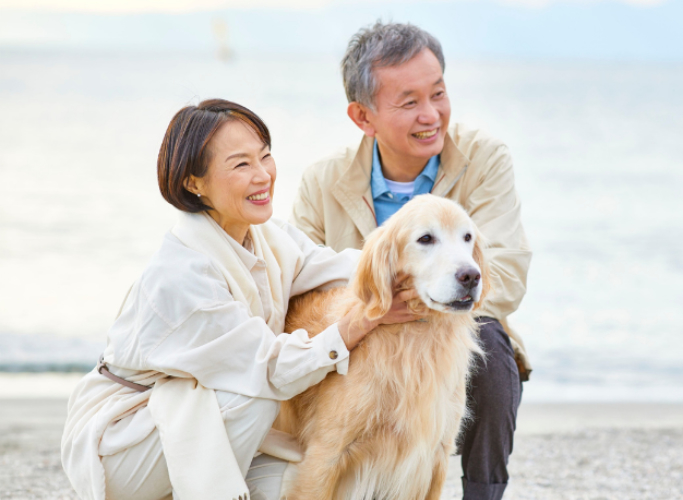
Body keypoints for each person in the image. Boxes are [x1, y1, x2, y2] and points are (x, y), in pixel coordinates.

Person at [61, 99, 420, 500]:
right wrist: (360, 323)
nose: (263, 175)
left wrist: (414, 268)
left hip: (189, 412)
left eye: (265, 157)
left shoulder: (267, 236)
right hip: (124, 440)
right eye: (241, 165)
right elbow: (269, 369)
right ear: (193, 183)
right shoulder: (183, 275)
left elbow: (338, 267)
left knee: (309, 482)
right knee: (253, 397)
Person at [291, 21, 533, 500]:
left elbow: (505, 273)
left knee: (491, 353)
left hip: (456, 334)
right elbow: (297, 287)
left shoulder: (484, 159)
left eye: (438, 93)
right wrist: (379, 307)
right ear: (363, 117)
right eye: (409, 102)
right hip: (357, 338)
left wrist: (422, 304)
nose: (432, 115)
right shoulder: (323, 182)